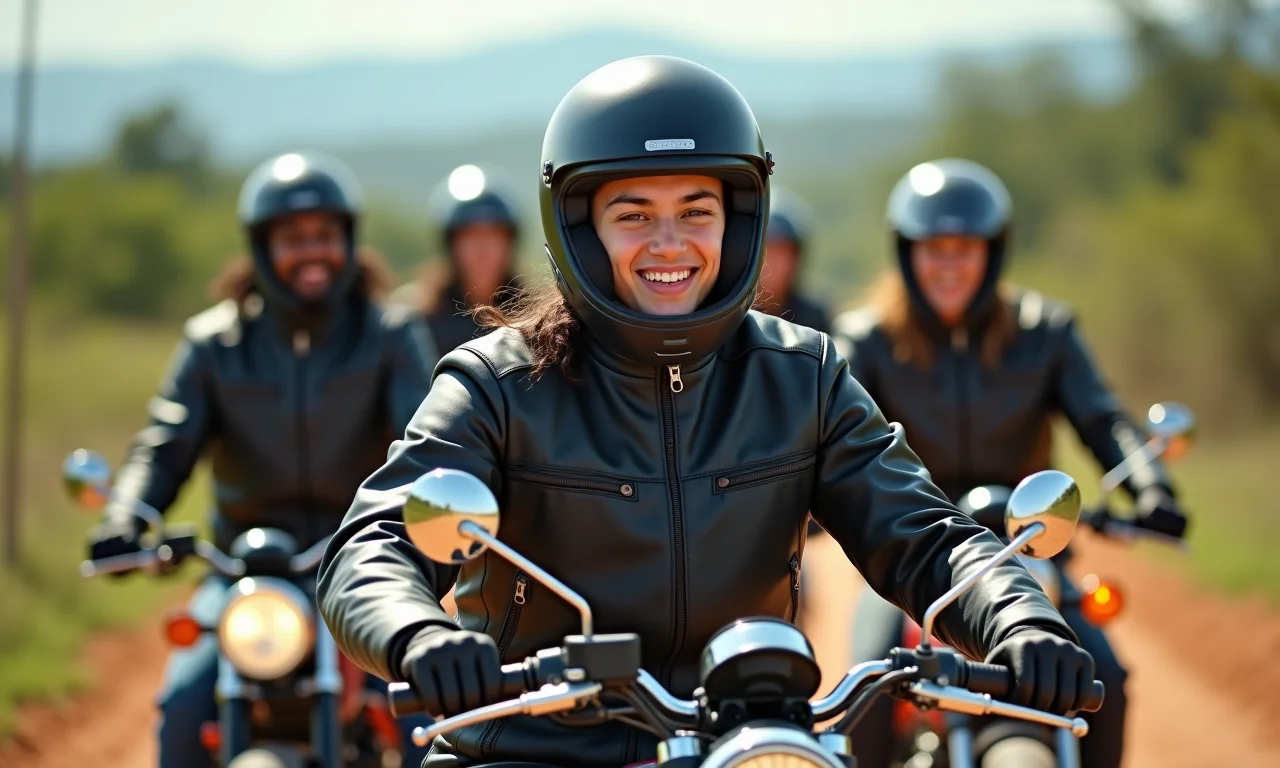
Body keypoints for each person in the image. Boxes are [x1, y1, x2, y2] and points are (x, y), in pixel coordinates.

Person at [316, 58, 1097, 768]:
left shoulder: (806, 376)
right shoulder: (497, 384)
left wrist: (1019, 619)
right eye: (633, 214)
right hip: (530, 744)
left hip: (750, 740)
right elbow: (370, 543)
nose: (670, 244)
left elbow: (925, 538)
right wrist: (421, 634)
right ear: (579, 229)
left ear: (740, 220)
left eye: (697, 211)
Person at [83, 151, 439, 768]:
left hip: (360, 561)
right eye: (292, 238)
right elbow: (164, 444)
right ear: (259, 247)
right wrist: (126, 515)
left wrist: (437, 507)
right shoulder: (215, 343)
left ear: (349, 241)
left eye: (325, 236)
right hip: (241, 575)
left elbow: (428, 441)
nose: (312, 252)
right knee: (182, 708)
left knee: (423, 712)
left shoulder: (389, 334)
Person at [831, 158, 1189, 768]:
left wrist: (1149, 483)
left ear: (994, 253)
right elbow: (833, 437)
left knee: (1104, 678)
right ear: (906, 253)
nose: (949, 264)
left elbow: (1104, 420)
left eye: (966, 247)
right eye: (933, 248)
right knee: (868, 685)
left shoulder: (1043, 331)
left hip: (1029, 549)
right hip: (916, 553)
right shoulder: (865, 339)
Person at [388, 164, 523, 354]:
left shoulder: (532, 318)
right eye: (471, 237)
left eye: (493, 237)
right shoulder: (416, 318)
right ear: (451, 245)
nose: (482, 251)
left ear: (510, 242)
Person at [754, 186, 831, 333]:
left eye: (782, 252)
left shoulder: (814, 318)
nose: (772, 263)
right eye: (767, 250)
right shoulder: (729, 313)